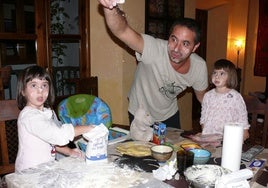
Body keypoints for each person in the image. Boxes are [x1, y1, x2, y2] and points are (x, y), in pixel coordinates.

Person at [98, 1, 208, 128]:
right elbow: (122, 31)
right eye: (174, 39)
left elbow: (205, 101)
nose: (176, 49)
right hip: (140, 113)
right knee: (141, 148)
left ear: (195, 47)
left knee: (174, 148)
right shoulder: (154, 49)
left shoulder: (199, 67)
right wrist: (109, 7)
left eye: (185, 44)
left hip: (169, 114)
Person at [15, 65, 95, 172]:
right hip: (29, 174)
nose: (40, 91)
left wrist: (70, 152)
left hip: (45, 169)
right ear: (23, 91)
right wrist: (88, 128)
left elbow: (51, 140)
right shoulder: (29, 116)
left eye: (44, 85)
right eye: (33, 85)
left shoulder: (46, 112)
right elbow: (58, 136)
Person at [200, 59, 250, 141]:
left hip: (229, 137)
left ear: (230, 76)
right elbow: (204, 114)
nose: (217, 76)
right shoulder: (208, 95)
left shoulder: (235, 96)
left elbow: (242, 115)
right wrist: (203, 128)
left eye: (222, 73)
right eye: (215, 73)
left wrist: (245, 130)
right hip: (209, 135)